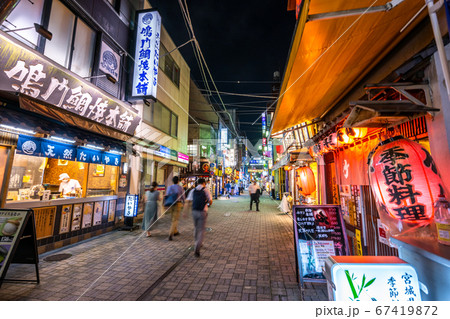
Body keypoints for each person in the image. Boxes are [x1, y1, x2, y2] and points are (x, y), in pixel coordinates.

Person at [186, 178, 212, 257]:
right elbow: (210, 200)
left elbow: (188, 201)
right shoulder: (205, 190)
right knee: (201, 230)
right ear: (204, 183)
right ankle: (197, 247)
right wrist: (208, 204)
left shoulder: (193, 190)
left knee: (196, 228)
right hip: (202, 212)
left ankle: (196, 242)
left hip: (194, 211)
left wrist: (185, 212)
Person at [165, 176, 185, 240]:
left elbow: (167, 195)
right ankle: (171, 234)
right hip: (177, 204)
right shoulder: (180, 187)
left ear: (172, 181)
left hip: (171, 204)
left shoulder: (169, 187)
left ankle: (175, 231)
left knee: (172, 218)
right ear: (178, 181)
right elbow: (183, 196)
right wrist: (184, 203)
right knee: (175, 219)